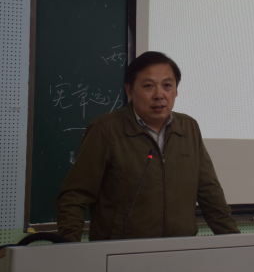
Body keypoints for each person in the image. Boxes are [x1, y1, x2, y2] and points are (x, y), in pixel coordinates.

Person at [57, 51, 239, 241]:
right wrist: (70, 248)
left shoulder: (188, 128)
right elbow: (75, 195)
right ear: (129, 90)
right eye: (148, 86)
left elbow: (210, 193)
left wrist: (236, 243)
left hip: (181, 249)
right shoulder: (106, 130)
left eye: (167, 85)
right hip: (121, 251)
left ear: (176, 91)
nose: (159, 95)